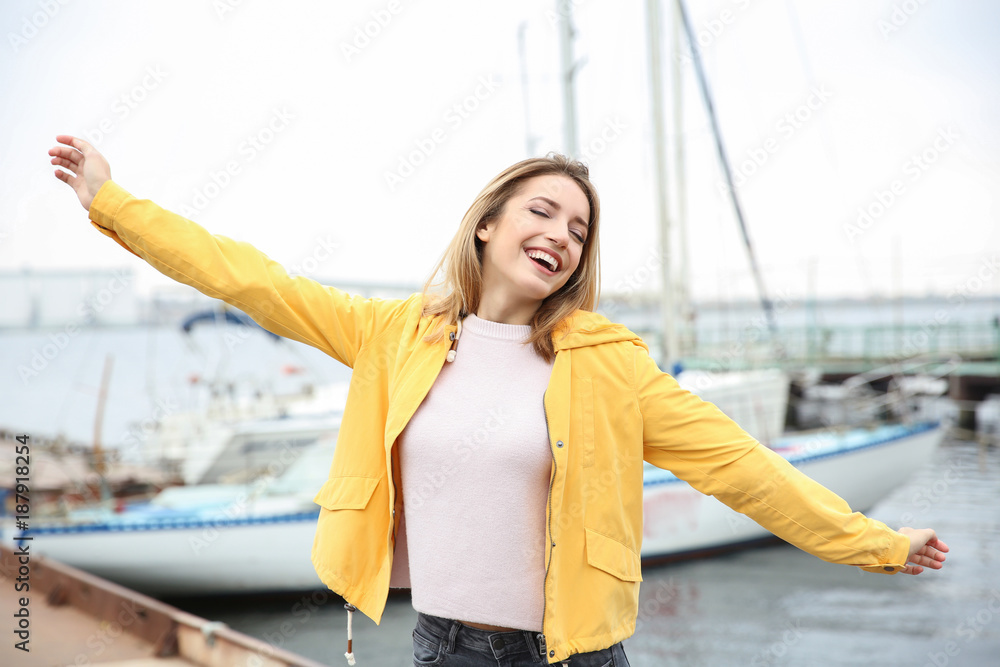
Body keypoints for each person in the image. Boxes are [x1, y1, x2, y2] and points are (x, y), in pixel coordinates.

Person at [49, 135, 948, 667]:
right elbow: (250, 278)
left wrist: (875, 542)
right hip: (444, 647)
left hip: (571, 655)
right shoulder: (392, 332)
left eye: (579, 229)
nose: (560, 235)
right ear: (488, 221)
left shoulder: (608, 364)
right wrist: (114, 202)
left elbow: (744, 468)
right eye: (543, 212)